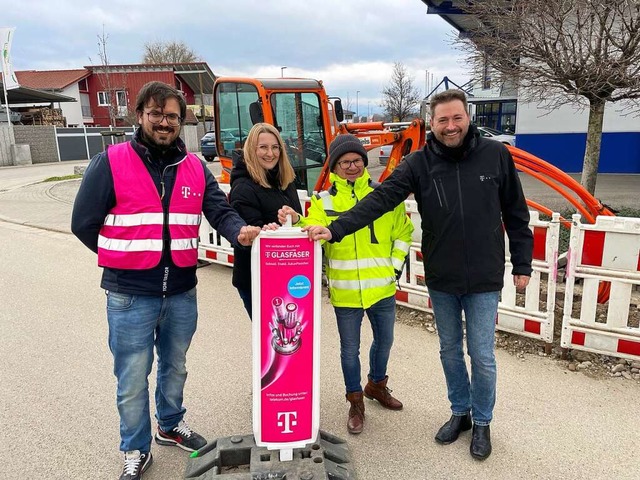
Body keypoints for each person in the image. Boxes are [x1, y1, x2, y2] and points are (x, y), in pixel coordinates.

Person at [304, 89, 533, 459]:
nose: (450, 126)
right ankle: (459, 412)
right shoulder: (418, 163)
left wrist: (522, 262)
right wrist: (337, 228)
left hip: (484, 277)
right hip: (442, 276)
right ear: (432, 123)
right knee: (449, 352)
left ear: (467, 117)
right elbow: (380, 200)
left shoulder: (496, 155)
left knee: (482, 354)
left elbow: (516, 211)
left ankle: (483, 421)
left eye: (456, 117)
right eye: (442, 120)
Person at [71, 81, 262, 480]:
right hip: (129, 295)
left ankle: (170, 424)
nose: (164, 123)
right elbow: (83, 223)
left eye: (172, 116)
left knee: (175, 367)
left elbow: (219, 211)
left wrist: (240, 232)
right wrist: (121, 259)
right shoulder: (111, 161)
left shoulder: (194, 166)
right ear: (139, 115)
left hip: (179, 291)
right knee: (131, 379)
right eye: (156, 114)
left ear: (181, 121)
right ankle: (135, 449)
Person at [278, 134, 413, 435]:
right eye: (344, 162)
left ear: (364, 163)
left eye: (356, 161)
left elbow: (404, 232)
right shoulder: (323, 202)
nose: (351, 166)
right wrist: (295, 217)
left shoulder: (385, 196)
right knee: (349, 350)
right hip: (346, 291)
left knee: (384, 342)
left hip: (382, 289)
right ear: (335, 167)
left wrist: (393, 267)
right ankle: (355, 401)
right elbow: (308, 228)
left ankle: (376, 386)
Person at [229, 122, 303, 318]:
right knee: (269, 339)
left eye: (275, 147)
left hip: (287, 274)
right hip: (257, 278)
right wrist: (266, 231)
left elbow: (300, 221)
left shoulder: (285, 181)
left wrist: (296, 220)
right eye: (263, 147)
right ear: (252, 150)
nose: (270, 153)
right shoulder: (243, 188)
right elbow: (247, 235)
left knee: (291, 335)